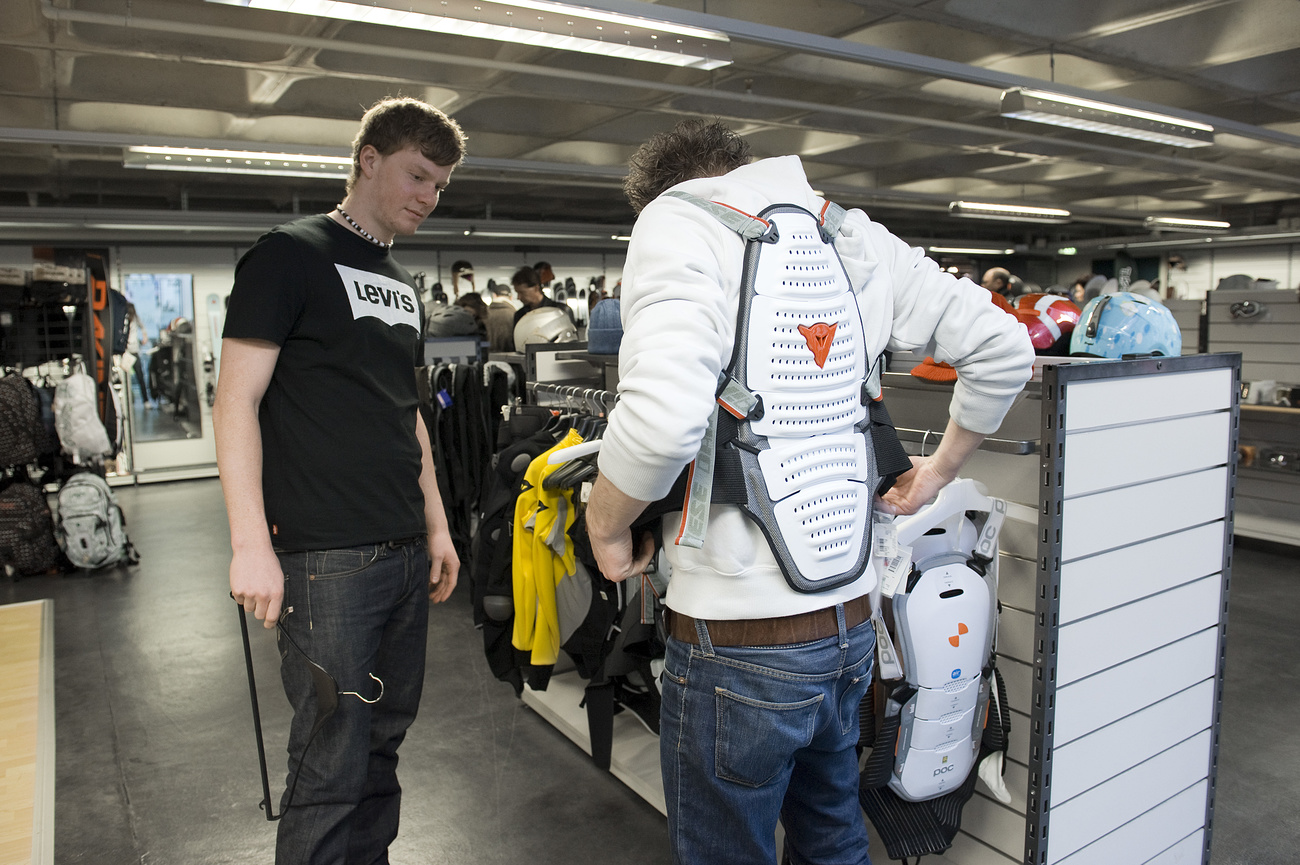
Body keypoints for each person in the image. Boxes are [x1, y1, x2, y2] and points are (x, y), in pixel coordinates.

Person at [583, 119, 1032, 865]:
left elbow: (661, 421)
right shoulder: (851, 235)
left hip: (736, 639)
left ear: (670, 191)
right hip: (851, 627)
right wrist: (938, 473)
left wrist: (605, 527)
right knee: (831, 838)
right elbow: (1003, 347)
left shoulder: (677, 220)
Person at [213, 95, 465, 865]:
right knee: (331, 758)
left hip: (400, 553)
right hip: (325, 560)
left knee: (382, 746)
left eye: (440, 186)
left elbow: (409, 413)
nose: (427, 197)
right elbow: (236, 400)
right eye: (418, 176)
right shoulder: (289, 255)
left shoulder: (400, 281)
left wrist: (438, 525)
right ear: (369, 159)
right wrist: (249, 544)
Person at [485, 279, 517, 351]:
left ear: (494, 295)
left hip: (488, 358)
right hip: (511, 358)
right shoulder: (515, 314)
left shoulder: (484, 314)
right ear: (511, 297)